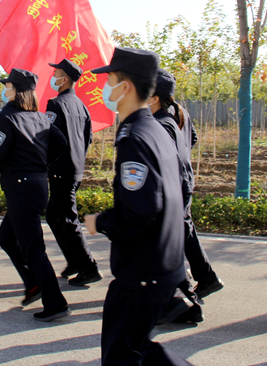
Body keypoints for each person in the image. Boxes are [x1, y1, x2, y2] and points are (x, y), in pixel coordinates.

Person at [85, 48, 189, 366]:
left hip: (142, 271)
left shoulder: (135, 137)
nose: (105, 88)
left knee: (123, 356)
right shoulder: (157, 129)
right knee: (138, 350)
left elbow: (140, 210)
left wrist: (100, 222)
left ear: (126, 87)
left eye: (109, 79)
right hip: (164, 263)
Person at [0, 68, 70, 322]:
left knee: (33, 248)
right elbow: (61, 143)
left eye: (6, 85)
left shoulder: (6, 117)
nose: (4, 89)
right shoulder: (41, 118)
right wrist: (41, 162)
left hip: (21, 188)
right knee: (7, 238)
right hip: (38, 185)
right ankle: (33, 284)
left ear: (15, 91)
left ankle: (55, 301)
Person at [150, 69, 221, 325]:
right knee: (182, 230)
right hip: (183, 180)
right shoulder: (179, 112)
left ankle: (186, 298)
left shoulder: (161, 121)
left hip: (175, 183)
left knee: (171, 238)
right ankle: (204, 281)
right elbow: (192, 139)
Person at [45, 58, 101, 286]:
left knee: (68, 218)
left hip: (61, 169)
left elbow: (49, 138)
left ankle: (89, 267)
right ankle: (74, 260)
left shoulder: (56, 104)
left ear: (64, 78)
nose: (53, 76)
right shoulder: (82, 107)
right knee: (52, 215)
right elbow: (88, 138)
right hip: (75, 169)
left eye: (56, 72)